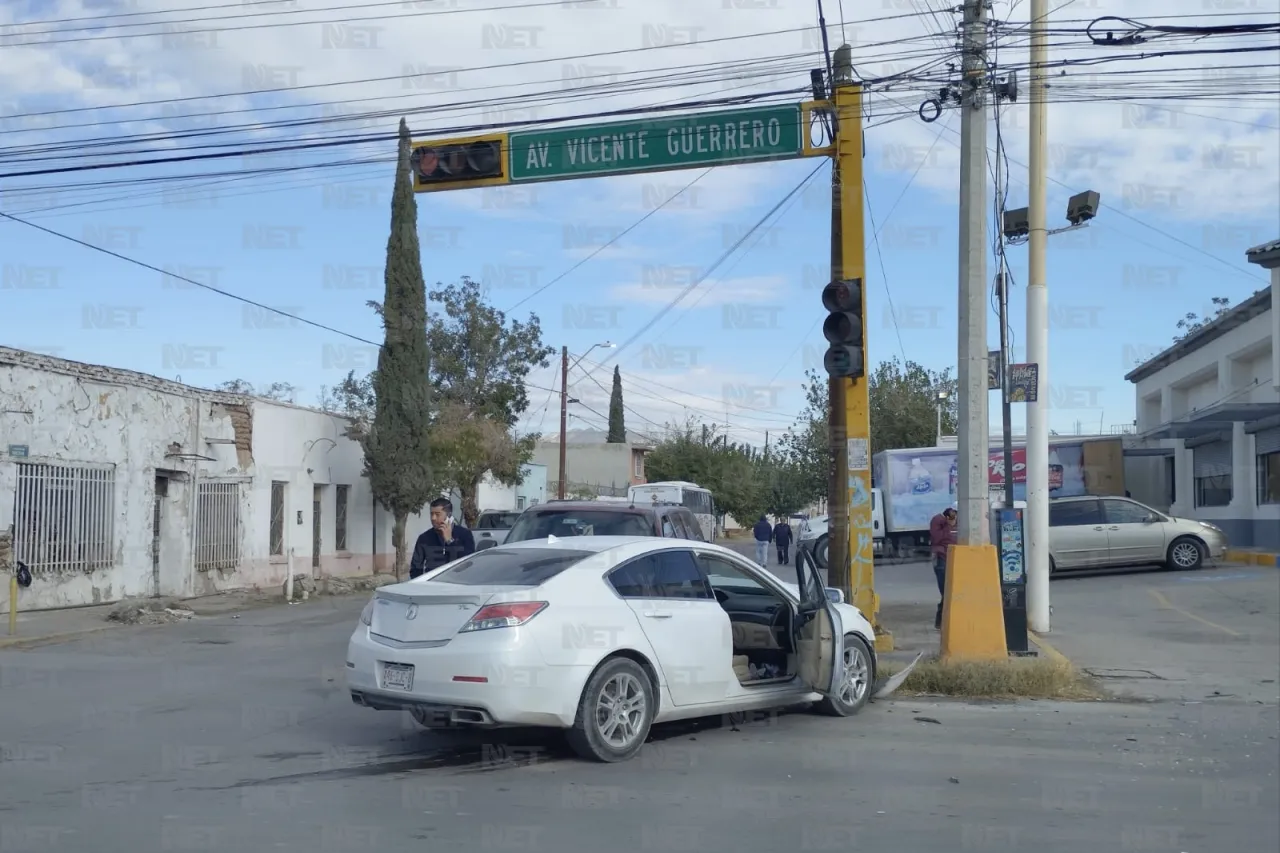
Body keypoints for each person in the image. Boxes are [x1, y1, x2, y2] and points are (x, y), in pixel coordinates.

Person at [409, 497, 476, 579]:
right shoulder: (424, 538)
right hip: (432, 585)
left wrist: (450, 541)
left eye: (437, 514)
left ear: (449, 515)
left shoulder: (465, 534)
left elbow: (468, 563)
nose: (433, 518)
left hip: (458, 584)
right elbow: (415, 568)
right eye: (431, 514)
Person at [929, 507, 958, 629]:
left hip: (953, 557)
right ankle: (940, 620)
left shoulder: (956, 523)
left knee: (951, 591)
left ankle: (943, 621)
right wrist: (948, 526)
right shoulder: (938, 521)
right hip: (942, 558)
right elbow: (937, 538)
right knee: (946, 591)